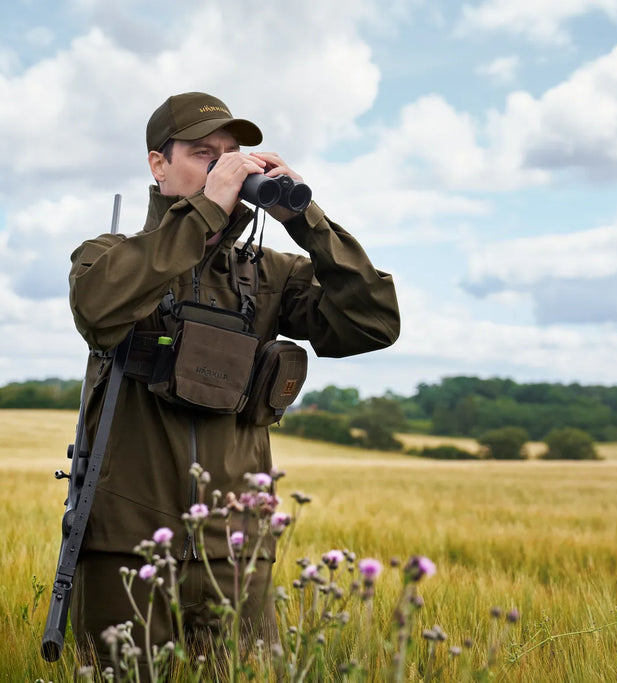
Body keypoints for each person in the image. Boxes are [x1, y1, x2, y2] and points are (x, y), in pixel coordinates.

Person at [67, 91, 400, 670]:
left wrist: (309, 220)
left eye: (233, 155)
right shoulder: (109, 256)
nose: (224, 167)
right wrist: (204, 214)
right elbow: (99, 311)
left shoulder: (270, 275)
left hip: (237, 556)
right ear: (158, 164)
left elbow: (374, 323)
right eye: (203, 154)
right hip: (127, 549)